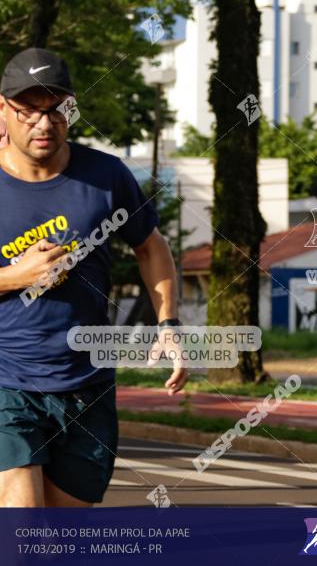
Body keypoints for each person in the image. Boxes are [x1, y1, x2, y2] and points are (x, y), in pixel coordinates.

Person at [0, 48, 186, 507]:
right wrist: (14, 276)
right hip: (8, 384)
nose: (43, 124)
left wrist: (169, 325)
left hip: (88, 384)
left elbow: (151, 247)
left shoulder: (106, 176)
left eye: (57, 109)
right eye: (28, 111)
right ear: (3, 109)